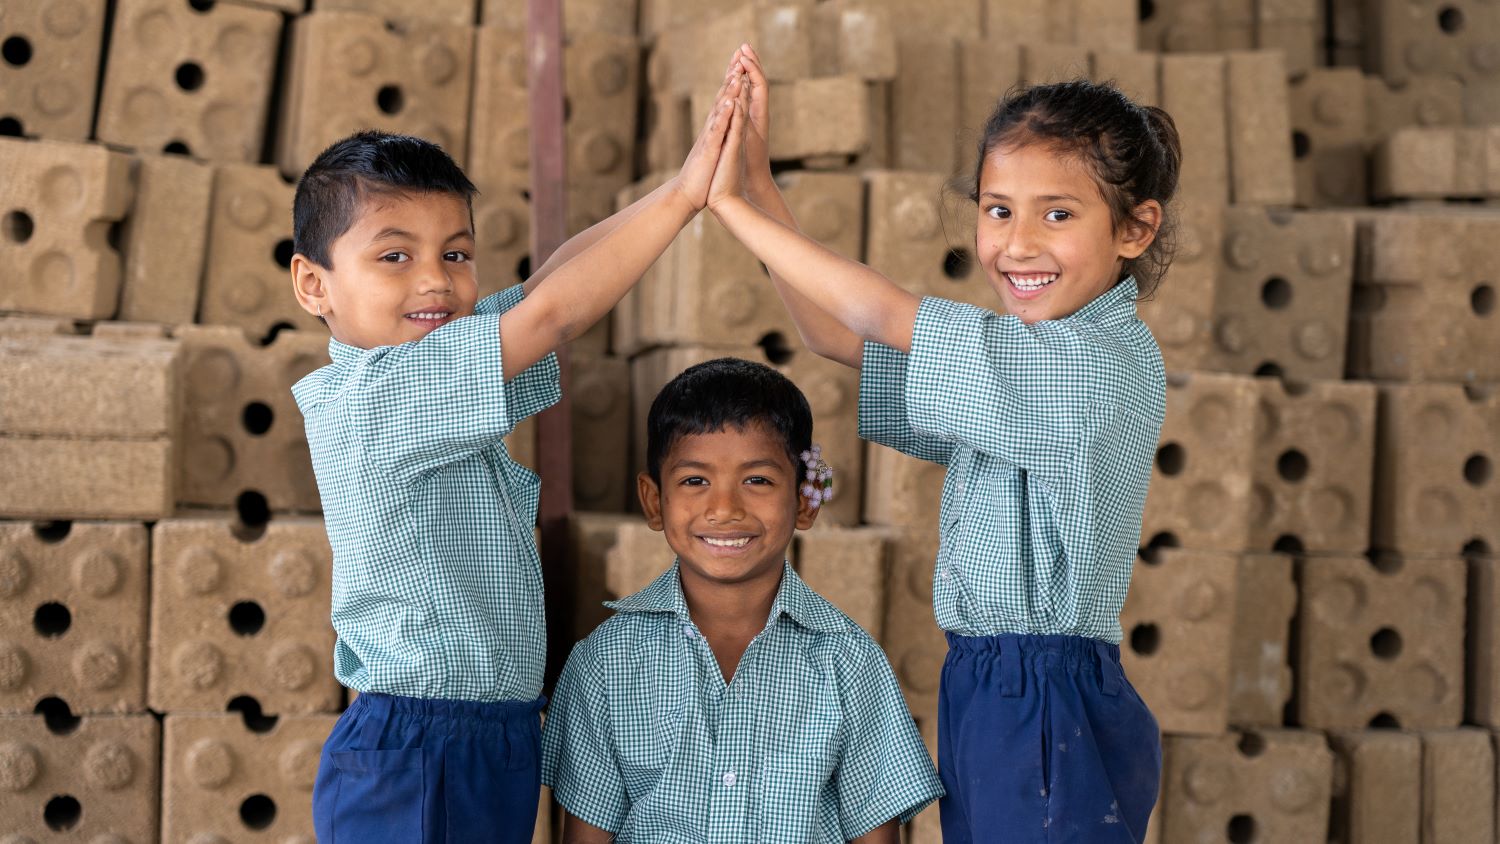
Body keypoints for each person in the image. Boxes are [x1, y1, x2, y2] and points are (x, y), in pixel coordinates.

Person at [708, 45, 1182, 842]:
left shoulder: (1087, 366)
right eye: (998, 210)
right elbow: (835, 332)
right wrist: (755, 181)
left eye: (1057, 214)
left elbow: (884, 316)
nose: (1018, 244)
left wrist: (727, 208)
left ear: (1136, 228)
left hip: (1041, 695)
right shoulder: (1024, 359)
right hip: (991, 682)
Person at [288, 66, 744, 843]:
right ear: (313, 285)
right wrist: (683, 201)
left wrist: (682, 182)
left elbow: (549, 282)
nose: (435, 280)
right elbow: (558, 314)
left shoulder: (433, 360)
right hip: (420, 746)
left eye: (457, 254)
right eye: (394, 257)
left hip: (484, 733)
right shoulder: (379, 396)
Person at [542, 357, 943, 843]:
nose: (725, 508)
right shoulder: (603, 664)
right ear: (654, 501)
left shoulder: (851, 665)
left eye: (758, 480)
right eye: (695, 480)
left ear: (804, 500)